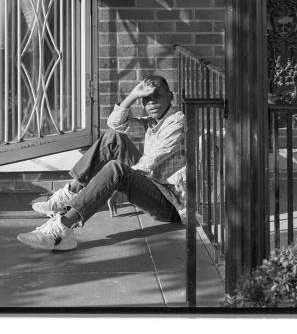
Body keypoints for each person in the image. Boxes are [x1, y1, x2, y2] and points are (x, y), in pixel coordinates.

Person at [16, 75, 186, 252]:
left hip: (171, 203)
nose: (151, 102)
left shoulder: (177, 121)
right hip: (155, 183)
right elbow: (115, 124)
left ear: (170, 96)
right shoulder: (153, 122)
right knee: (113, 137)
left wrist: (120, 180)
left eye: (157, 95)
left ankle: (62, 229)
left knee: (115, 170)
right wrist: (133, 95)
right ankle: (69, 194)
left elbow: (150, 162)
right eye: (146, 99)